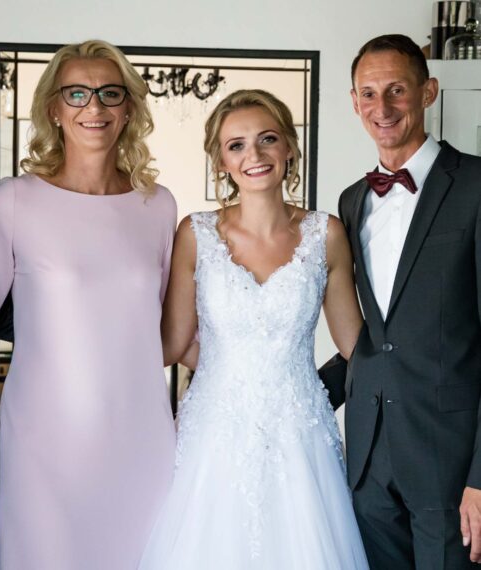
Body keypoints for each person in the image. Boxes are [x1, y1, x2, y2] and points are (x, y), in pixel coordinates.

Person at [139, 89, 368, 569]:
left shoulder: (325, 234)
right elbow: (173, 344)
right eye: (236, 145)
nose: (254, 155)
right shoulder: (196, 233)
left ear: (289, 147)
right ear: (220, 161)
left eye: (267, 139)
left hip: (301, 436)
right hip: (215, 435)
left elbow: (357, 347)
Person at [0, 40, 177, 569]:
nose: (95, 107)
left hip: (140, 437)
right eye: (77, 93)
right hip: (44, 445)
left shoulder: (158, 205)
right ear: (53, 107)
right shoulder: (14, 200)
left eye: (110, 93)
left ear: (129, 108)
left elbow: (166, 330)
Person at [341, 33, 481, 569]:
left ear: (428, 92)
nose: (382, 107)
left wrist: (480, 478)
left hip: (451, 462)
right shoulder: (352, 202)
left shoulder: (476, 184)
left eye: (397, 90)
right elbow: (372, 338)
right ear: (354, 102)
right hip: (369, 461)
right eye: (369, 93)